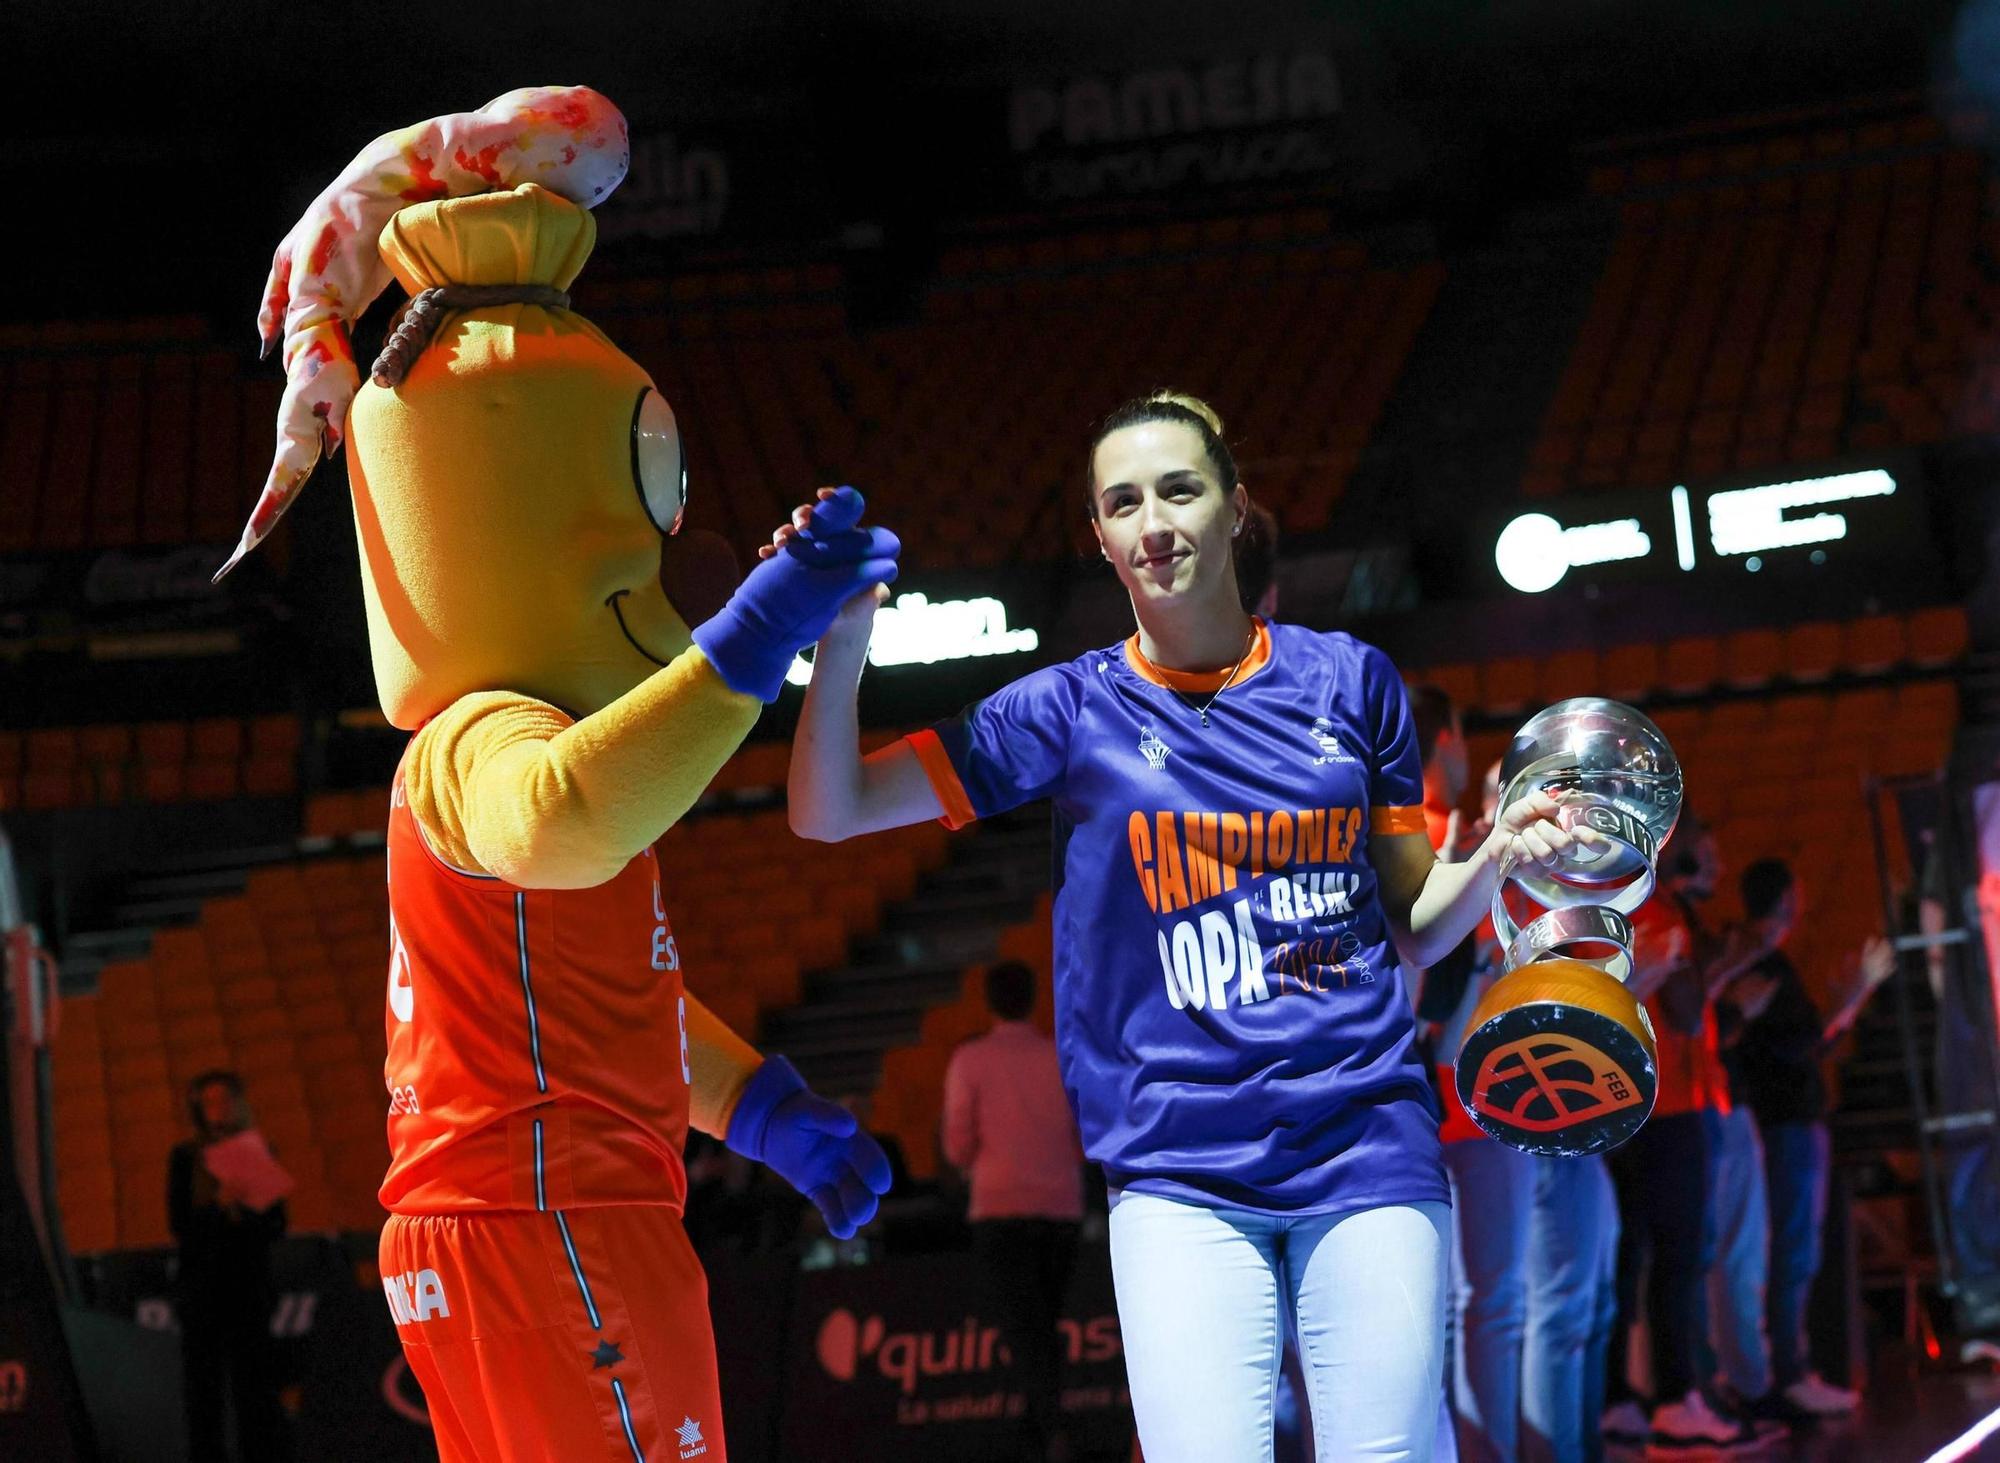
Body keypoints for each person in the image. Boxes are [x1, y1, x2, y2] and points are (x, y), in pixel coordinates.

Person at [233, 87, 896, 1462]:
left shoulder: (527, 754)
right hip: (547, 1223)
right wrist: (756, 637)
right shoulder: (483, 744)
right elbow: (569, 812)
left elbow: (618, 998)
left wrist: (764, 1110)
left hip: (511, 1224)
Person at [787, 390, 1596, 1461]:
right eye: (1122, 503)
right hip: (1175, 1173)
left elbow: (1410, 928)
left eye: (1178, 489)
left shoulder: (1351, 683)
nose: (1153, 522)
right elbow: (828, 806)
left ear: (1232, 508)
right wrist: (842, 638)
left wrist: (1492, 850)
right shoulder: (1063, 712)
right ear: (1100, 540)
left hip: (1362, 1142)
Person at [1602, 813, 1779, 1453]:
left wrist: (1719, 965)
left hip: (1656, 1102)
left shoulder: (1640, 904)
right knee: (1678, 1258)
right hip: (1663, 1105)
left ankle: (1635, 1398)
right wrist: (1721, 963)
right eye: (1699, 851)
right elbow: (1679, 1007)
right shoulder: (1650, 909)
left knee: (1642, 1262)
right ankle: (1675, 1400)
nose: (1712, 866)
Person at [1724, 859, 1893, 1415]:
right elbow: (1792, 1049)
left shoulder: (1772, 965)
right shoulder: (1763, 967)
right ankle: (1786, 1373)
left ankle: (1788, 1369)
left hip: (1794, 1125)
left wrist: (1845, 1007)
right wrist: (1848, 1004)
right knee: (1790, 1252)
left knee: (1799, 1249)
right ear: (1786, 898)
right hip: (1784, 1127)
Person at [942, 960, 1085, 1463]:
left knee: (1026, 1332)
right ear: (1033, 996)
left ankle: (1049, 1433)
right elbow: (1082, 1136)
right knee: (1044, 1326)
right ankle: (1045, 1431)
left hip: (1000, 1211)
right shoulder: (1060, 1056)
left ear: (987, 1000)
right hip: (1061, 1209)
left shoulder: (970, 1060)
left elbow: (958, 1146)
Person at [168, 1070, 290, 1462]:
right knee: (203, 1387)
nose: (217, 1109)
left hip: (249, 1285)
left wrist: (247, 1204)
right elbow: (179, 1224)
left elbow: (276, 1224)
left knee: (255, 1383)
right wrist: (218, 1206)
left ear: (238, 1104)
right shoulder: (185, 1157)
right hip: (202, 1288)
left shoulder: (258, 1151)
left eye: (224, 1100)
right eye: (209, 1102)